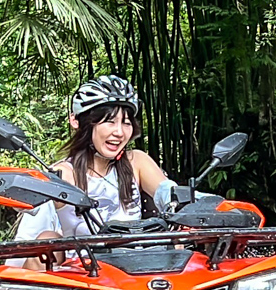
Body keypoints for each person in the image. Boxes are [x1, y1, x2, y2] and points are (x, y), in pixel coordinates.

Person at [11, 76, 176, 266]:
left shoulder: (135, 162)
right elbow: (32, 206)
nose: (119, 132)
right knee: (45, 241)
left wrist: (201, 203)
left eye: (126, 122)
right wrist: (21, 194)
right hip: (83, 275)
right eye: (109, 121)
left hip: (137, 268)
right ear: (79, 121)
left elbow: (169, 193)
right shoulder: (65, 173)